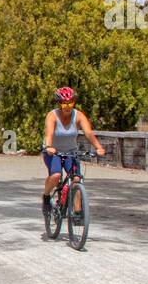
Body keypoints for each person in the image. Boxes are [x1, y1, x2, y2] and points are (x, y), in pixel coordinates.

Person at [42, 86, 106, 215]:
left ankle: (77, 213)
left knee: (76, 179)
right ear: (59, 103)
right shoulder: (52, 115)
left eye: (70, 103)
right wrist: (49, 147)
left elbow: (88, 133)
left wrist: (99, 147)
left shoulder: (78, 115)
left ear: (74, 102)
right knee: (56, 176)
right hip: (54, 152)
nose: (67, 106)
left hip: (71, 152)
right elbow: (48, 133)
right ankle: (46, 196)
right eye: (64, 103)